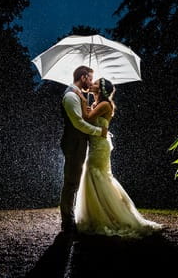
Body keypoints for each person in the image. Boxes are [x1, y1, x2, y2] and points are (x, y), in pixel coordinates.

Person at [73, 77, 163, 238]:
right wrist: (86, 102)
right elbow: (89, 116)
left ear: (100, 89)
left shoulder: (105, 104)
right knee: (96, 176)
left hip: (100, 146)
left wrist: (80, 98)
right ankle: (99, 213)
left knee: (95, 174)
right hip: (96, 144)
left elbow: (86, 118)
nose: (91, 85)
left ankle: (107, 215)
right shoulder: (98, 104)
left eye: (95, 83)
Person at [60, 65, 108, 234]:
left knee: (75, 180)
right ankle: (67, 221)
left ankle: (70, 216)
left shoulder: (79, 95)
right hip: (73, 144)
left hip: (79, 143)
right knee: (71, 181)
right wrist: (98, 131)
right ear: (83, 77)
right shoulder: (71, 96)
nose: (91, 81)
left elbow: (83, 117)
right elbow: (78, 124)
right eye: (90, 78)